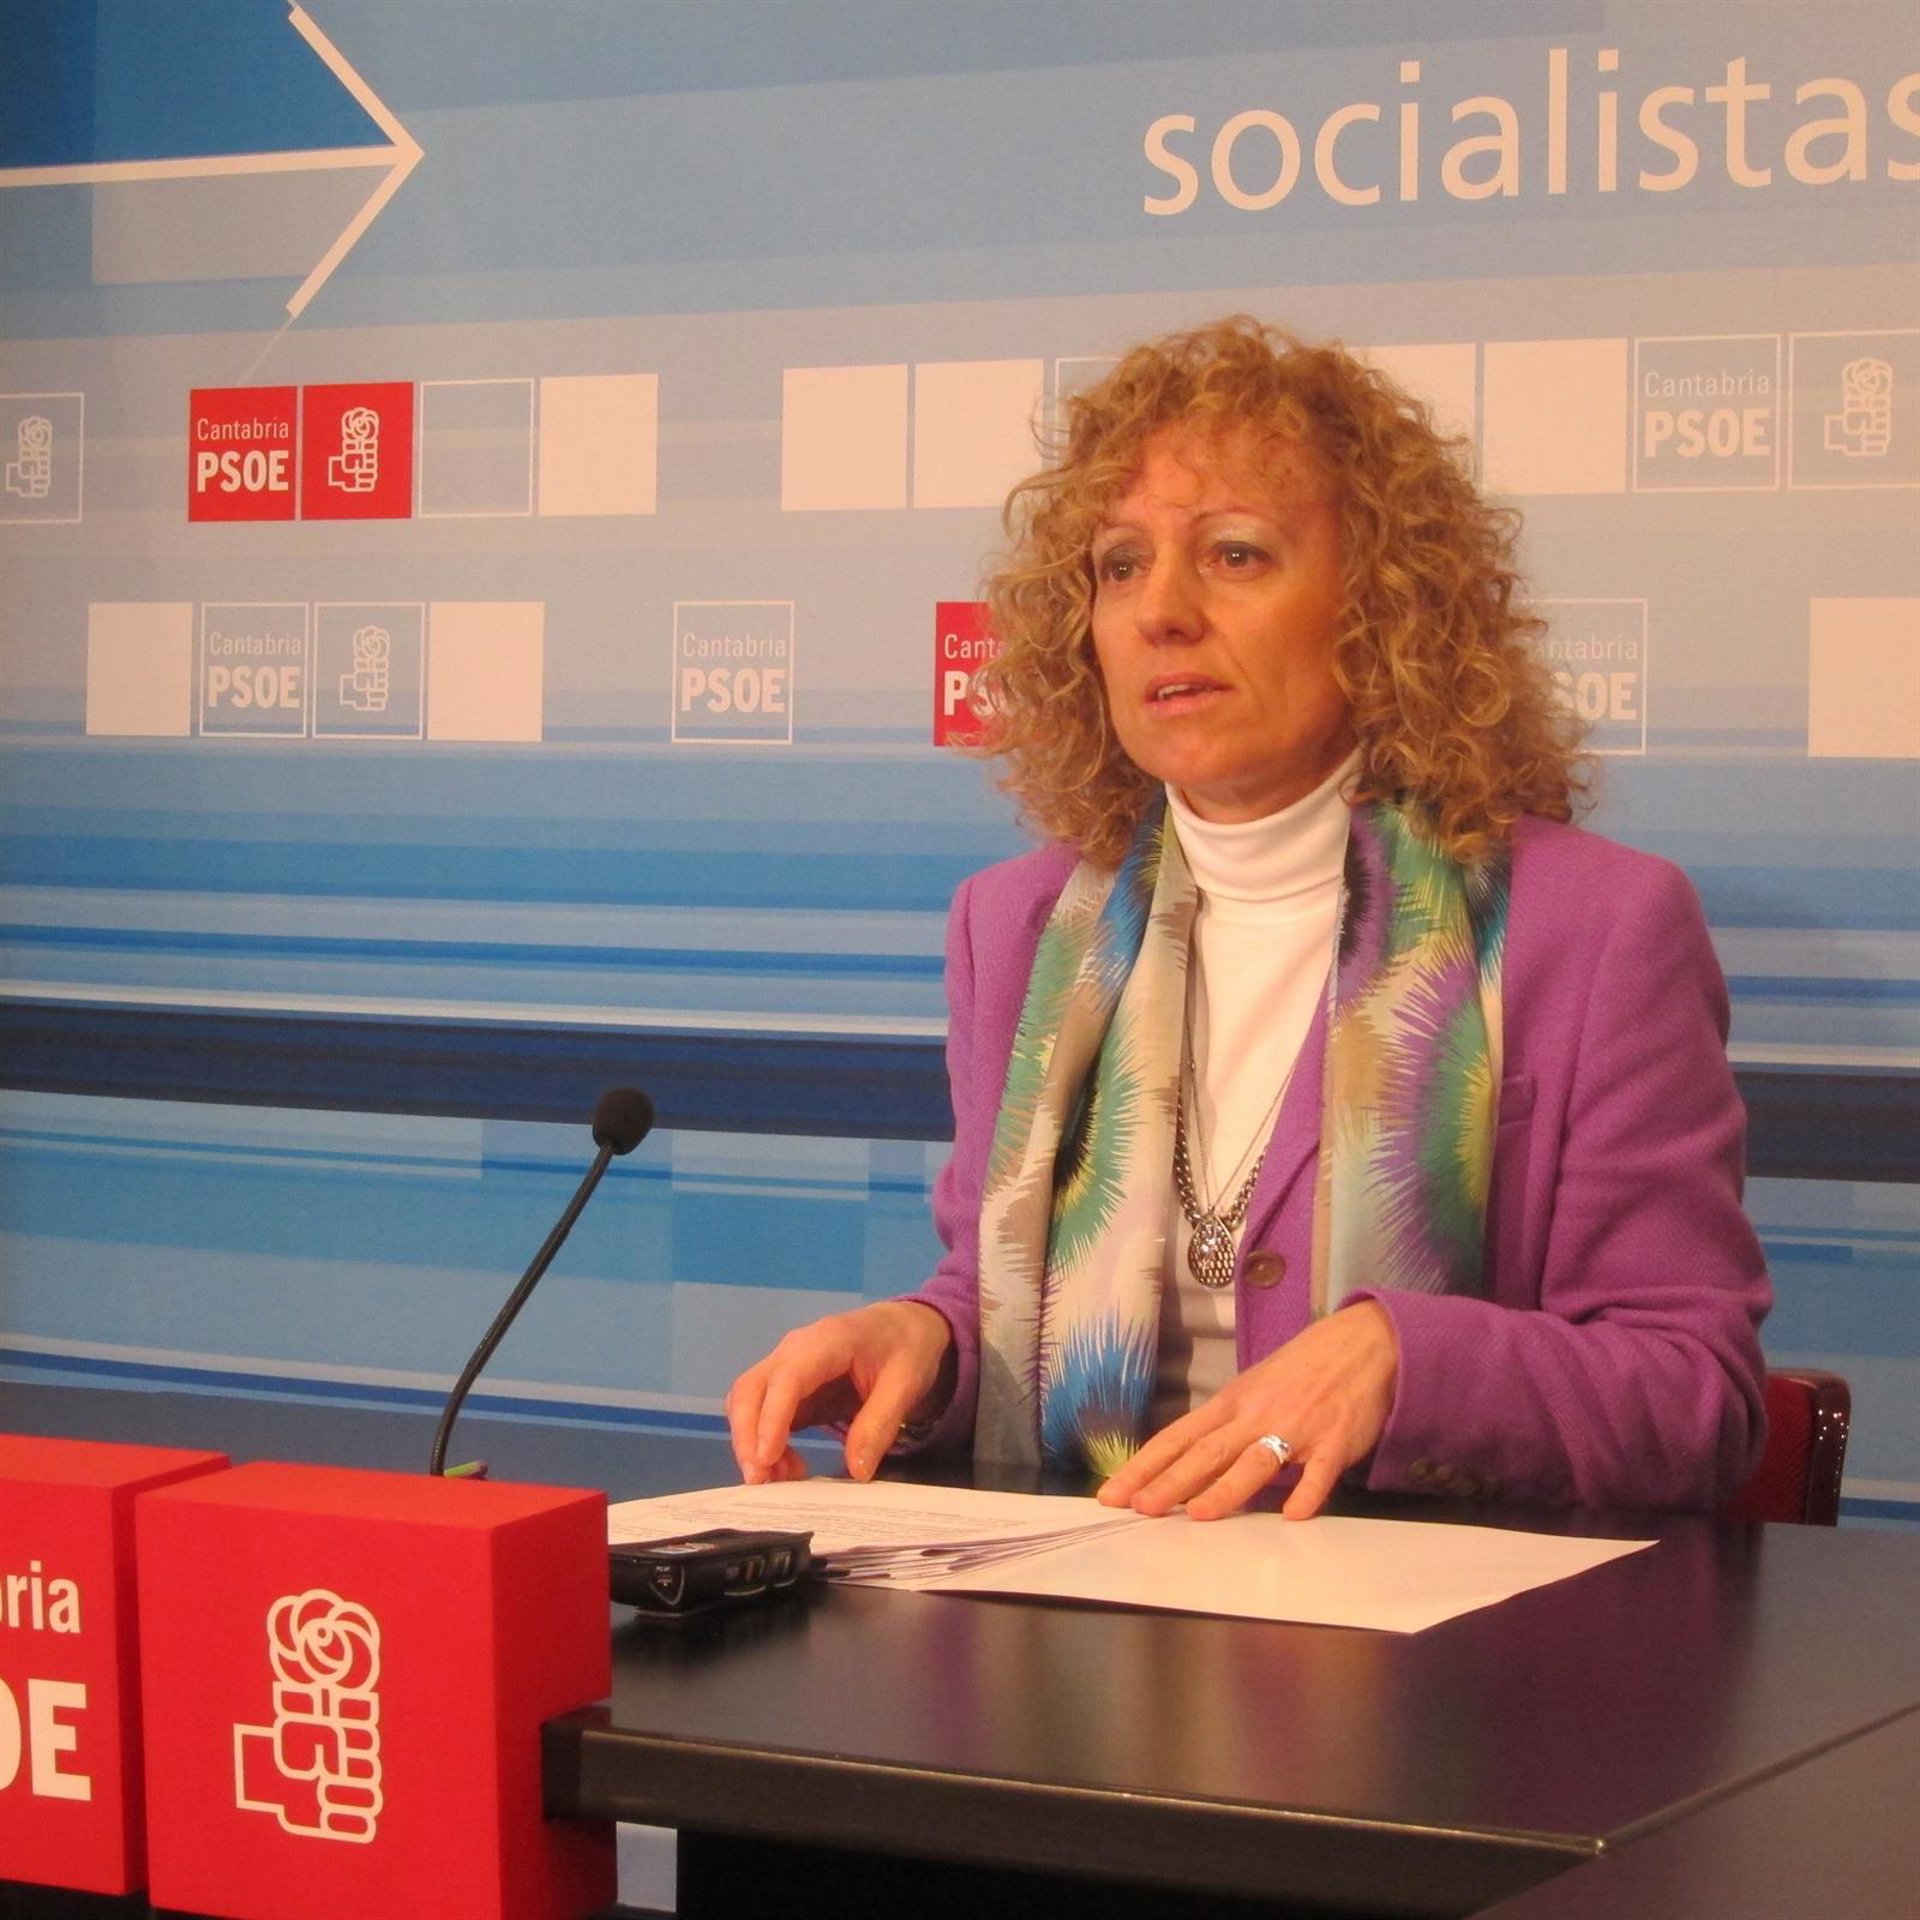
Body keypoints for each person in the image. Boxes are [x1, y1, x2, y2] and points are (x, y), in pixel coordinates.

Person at [726, 316, 1770, 1520]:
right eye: (1121, 566)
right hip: (1079, 1608)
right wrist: (926, 1344)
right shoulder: (1015, 931)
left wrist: (1406, 1363)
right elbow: (1001, 1297)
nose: (1162, 611)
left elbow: (1695, 1396)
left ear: (1379, 607)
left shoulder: (1595, 927)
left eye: (1233, 554)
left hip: (1431, 1623)